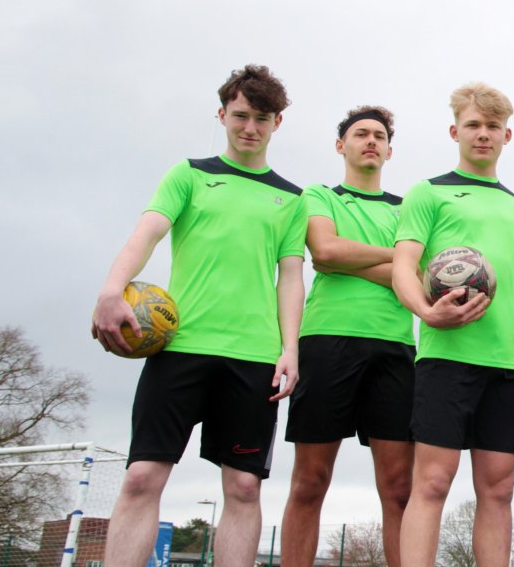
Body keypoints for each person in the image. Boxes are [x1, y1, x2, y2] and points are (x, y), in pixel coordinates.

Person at [92, 65, 306, 567]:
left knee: (244, 487)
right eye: (240, 116)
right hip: (179, 347)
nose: (249, 128)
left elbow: (291, 277)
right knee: (142, 477)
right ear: (222, 114)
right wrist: (110, 290)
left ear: (277, 123)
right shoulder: (189, 174)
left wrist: (290, 349)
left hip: (252, 357)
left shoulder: (292, 198)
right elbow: (144, 235)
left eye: (261, 118)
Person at [391, 82, 514, 567]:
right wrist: (425, 310)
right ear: (454, 131)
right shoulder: (428, 193)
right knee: (432, 483)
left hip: (507, 365)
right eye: (473, 125)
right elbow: (404, 266)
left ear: (507, 135)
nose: (483, 135)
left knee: (499, 490)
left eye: (492, 127)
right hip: (446, 358)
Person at [280, 106, 414, 567]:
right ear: (342, 145)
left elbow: (417, 277)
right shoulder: (320, 195)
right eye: (361, 134)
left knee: (399, 488)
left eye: (379, 135)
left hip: (396, 348)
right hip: (327, 340)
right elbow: (325, 250)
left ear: (390, 150)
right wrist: (399, 259)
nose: (370, 140)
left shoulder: (408, 208)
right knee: (310, 481)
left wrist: (395, 267)